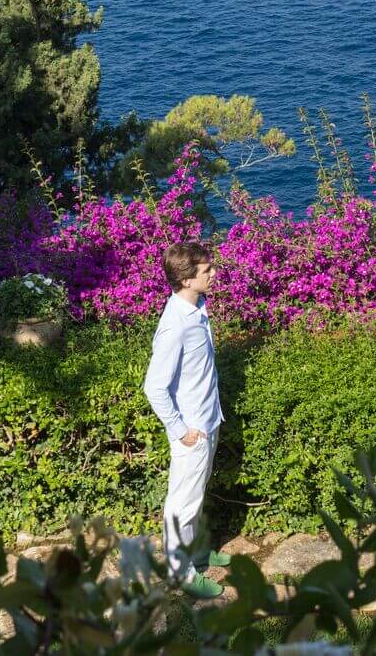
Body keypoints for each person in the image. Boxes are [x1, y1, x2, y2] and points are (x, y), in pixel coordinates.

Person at [142, 240, 231, 598]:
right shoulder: (175, 325)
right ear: (186, 278)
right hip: (192, 431)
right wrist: (182, 432)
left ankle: (193, 551)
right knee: (182, 503)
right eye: (206, 270)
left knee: (194, 497)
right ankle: (181, 573)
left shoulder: (198, 309)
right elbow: (154, 388)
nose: (213, 274)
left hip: (209, 420)